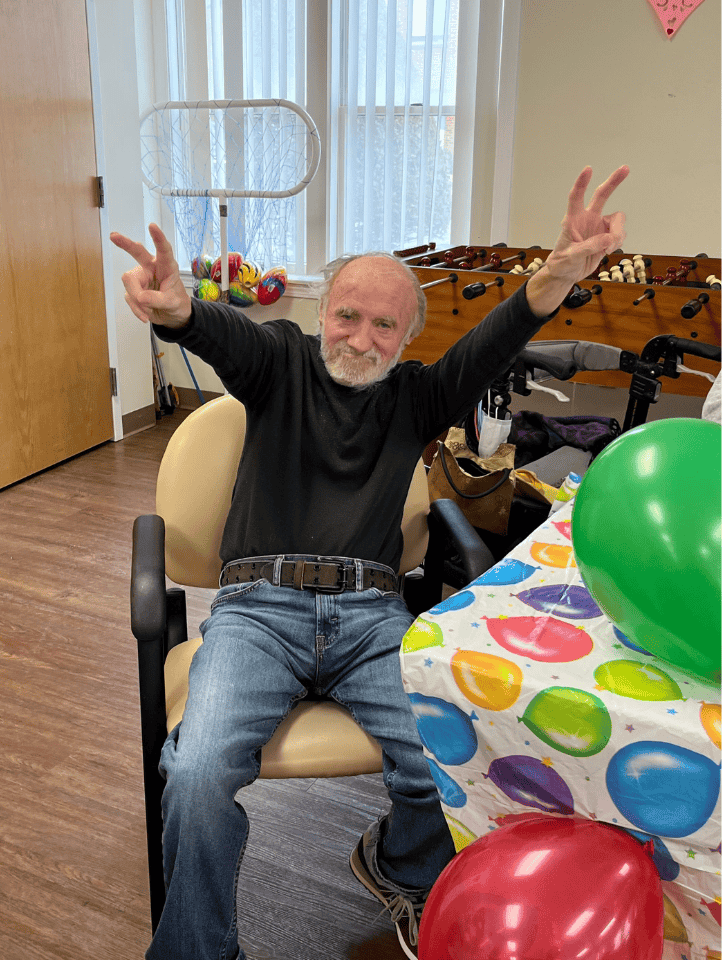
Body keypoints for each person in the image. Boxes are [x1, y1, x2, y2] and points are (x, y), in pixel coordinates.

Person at [112, 164, 629, 960]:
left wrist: (553, 277)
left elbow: (487, 348)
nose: (361, 337)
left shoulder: (416, 398)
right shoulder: (279, 362)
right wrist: (181, 312)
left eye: (383, 326)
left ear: (406, 337)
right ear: (323, 315)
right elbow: (225, 336)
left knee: (451, 751)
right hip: (259, 611)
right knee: (198, 773)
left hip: (370, 614)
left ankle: (399, 861)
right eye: (347, 316)